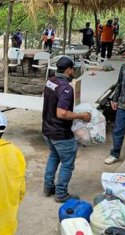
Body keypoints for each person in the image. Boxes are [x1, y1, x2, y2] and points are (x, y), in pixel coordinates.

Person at [41, 57, 91, 203]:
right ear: (68, 69)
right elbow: (61, 113)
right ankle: (61, 193)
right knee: (67, 162)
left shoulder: (50, 81)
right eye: (73, 69)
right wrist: (81, 115)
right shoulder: (66, 88)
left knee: (54, 156)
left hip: (47, 129)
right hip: (60, 132)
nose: (74, 71)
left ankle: (48, 187)